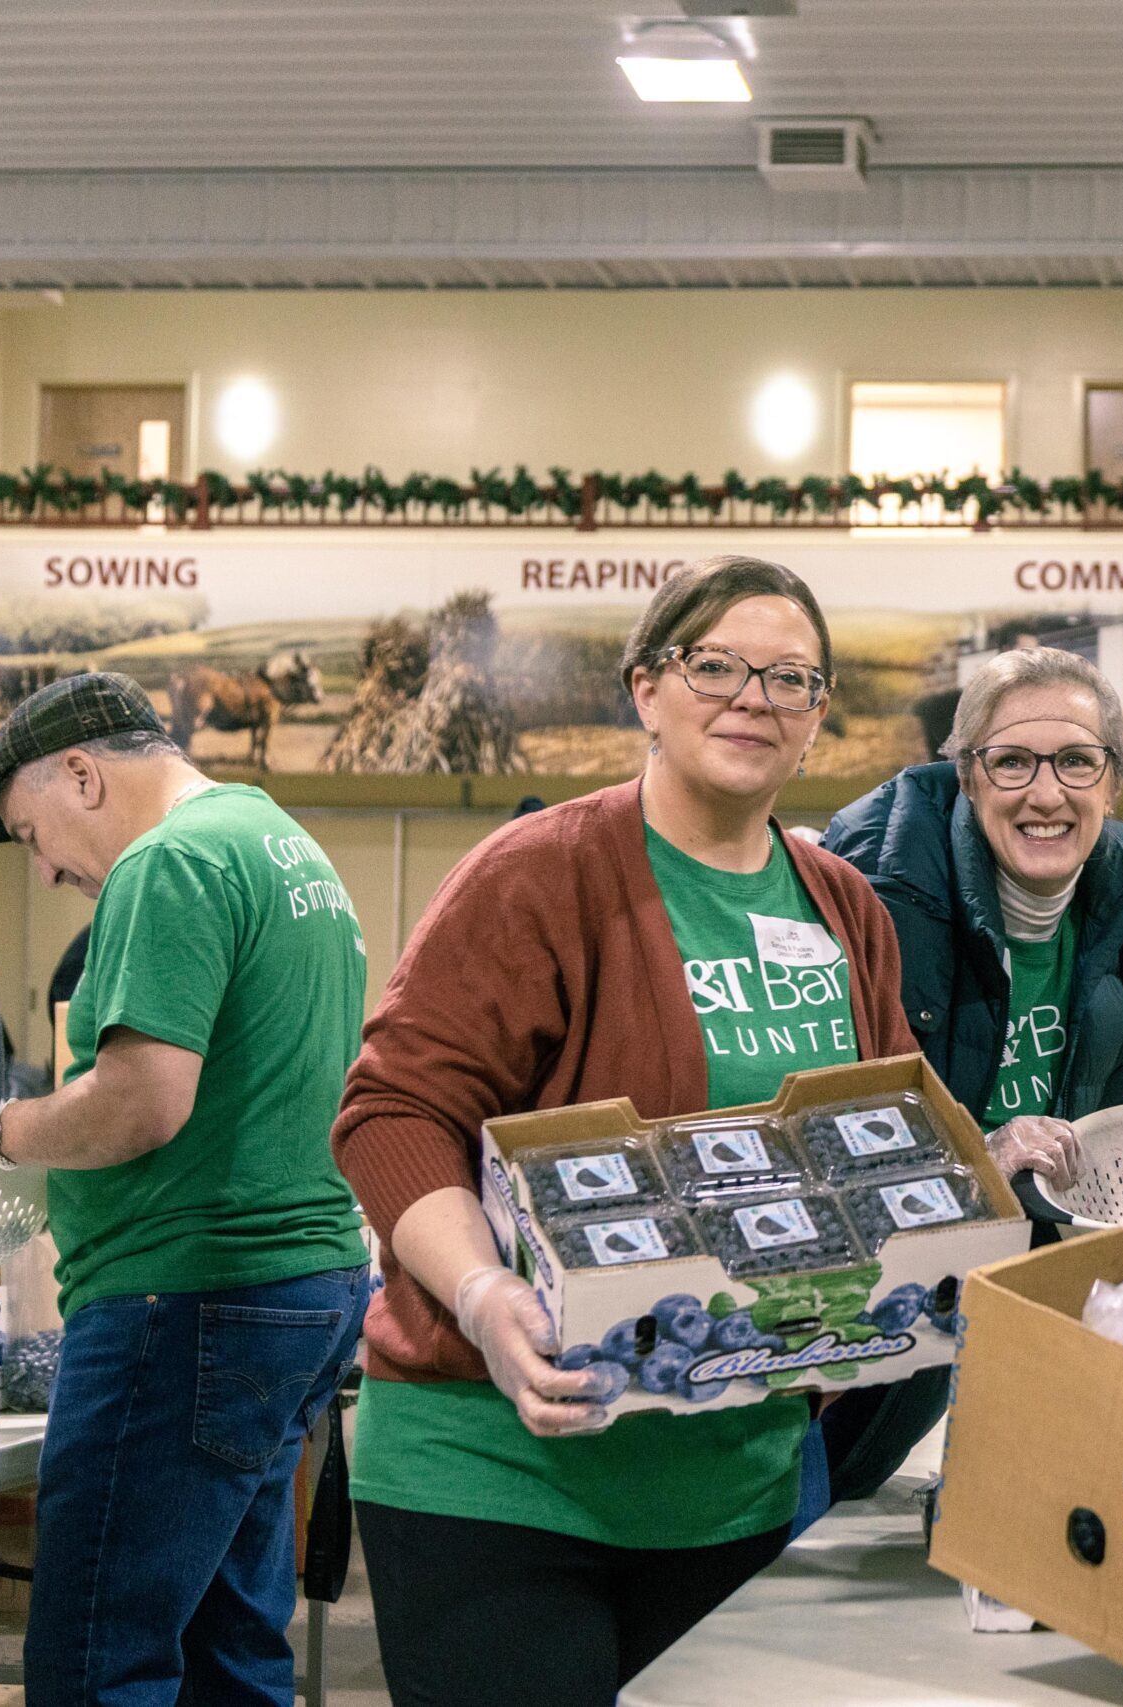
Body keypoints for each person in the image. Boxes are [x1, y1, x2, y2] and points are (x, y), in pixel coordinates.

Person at [333, 556, 914, 1703]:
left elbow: (880, 1140)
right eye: (717, 668)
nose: (754, 699)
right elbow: (394, 1114)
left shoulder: (843, 905)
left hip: (732, 1480)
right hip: (498, 1469)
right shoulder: (539, 874)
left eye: (791, 679)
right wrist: (485, 1299)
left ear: (819, 720)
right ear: (646, 689)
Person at [0, 672, 373, 1707]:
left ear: (83, 776)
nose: (47, 869)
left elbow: (140, 1102)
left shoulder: (171, 860)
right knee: (229, 1645)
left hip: (186, 1298)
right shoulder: (275, 840)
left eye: (30, 833)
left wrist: (1, 1133)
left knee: (102, 1656)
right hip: (292, 1287)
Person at [820, 645, 1123, 1495]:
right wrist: (978, 1154)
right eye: (1011, 761)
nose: (1046, 794)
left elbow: (1111, 1121)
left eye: (1077, 762)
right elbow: (823, 1137)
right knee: (814, 1490)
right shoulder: (878, 889)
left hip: (1001, 1276)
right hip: (865, 1289)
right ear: (967, 775)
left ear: (1112, 781)